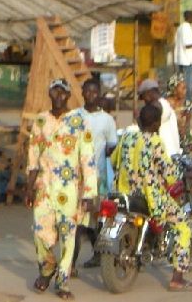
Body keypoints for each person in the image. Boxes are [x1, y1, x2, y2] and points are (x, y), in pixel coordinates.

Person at [111, 103, 192, 292]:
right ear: (157, 123)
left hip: (125, 193)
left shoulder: (127, 137)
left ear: (139, 121)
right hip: (151, 198)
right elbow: (169, 173)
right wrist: (188, 173)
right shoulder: (155, 141)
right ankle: (177, 279)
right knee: (183, 226)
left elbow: (114, 160)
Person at [25, 78, 97, 299]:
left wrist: (89, 193)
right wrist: (28, 187)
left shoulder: (79, 122)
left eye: (62, 92)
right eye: (54, 91)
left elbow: (88, 159)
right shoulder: (40, 121)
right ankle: (47, 268)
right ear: (49, 93)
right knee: (39, 232)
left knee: (68, 236)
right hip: (43, 187)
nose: (58, 95)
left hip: (69, 189)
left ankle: (63, 282)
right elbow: (33, 157)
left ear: (68, 95)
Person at [72, 79, 117, 270]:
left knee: (94, 220)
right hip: (75, 176)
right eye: (87, 91)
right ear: (82, 92)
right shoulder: (74, 116)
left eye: (94, 92)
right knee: (78, 222)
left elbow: (112, 144)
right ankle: (71, 263)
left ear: (98, 94)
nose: (90, 95)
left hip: (97, 177)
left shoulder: (106, 119)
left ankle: (95, 256)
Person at [137, 79, 181, 157]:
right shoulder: (166, 103)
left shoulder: (157, 105)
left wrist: (138, 118)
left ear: (148, 93)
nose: (144, 101)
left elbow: (146, 129)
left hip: (164, 154)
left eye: (143, 97)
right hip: (173, 151)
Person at [174, 10, 192, 102]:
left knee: (180, 82)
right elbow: (187, 45)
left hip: (180, 59)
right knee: (188, 83)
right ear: (189, 17)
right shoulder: (187, 27)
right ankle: (187, 101)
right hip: (187, 60)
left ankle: (180, 99)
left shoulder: (180, 27)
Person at [165, 73, 192, 144]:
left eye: (185, 88)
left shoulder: (187, 105)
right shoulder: (165, 104)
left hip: (181, 140)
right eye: (183, 88)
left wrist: (184, 129)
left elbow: (187, 123)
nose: (185, 91)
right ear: (174, 89)